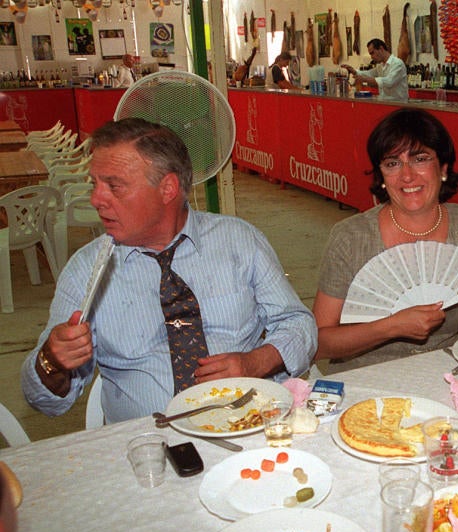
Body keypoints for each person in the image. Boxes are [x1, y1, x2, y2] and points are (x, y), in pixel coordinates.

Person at [21, 118, 317, 423]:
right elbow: (45, 402)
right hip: (146, 444)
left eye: (114, 186)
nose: (96, 199)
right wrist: (52, 360)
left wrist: (255, 362)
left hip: (244, 425)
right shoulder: (86, 270)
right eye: (94, 184)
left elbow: (299, 324)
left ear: (168, 188)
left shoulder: (239, 241)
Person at [312, 108, 458, 372]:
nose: (407, 176)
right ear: (381, 176)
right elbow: (318, 343)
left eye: (420, 159)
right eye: (392, 163)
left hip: (448, 369)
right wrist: (390, 327)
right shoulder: (351, 237)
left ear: (443, 167)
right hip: (366, 374)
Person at [341, 38, 408, 101]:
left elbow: (389, 81)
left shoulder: (397, 63)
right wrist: (354, 71)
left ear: (381, 49)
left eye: (372, 53)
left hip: (398, 105)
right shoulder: (380, 66)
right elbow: (369, 73)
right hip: (385, 103)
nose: (371, 57)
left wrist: (365, 79)